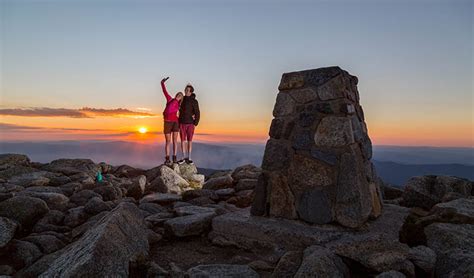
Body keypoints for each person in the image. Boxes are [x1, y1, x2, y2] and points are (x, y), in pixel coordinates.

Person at [161, 77, 183, 165]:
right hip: (167, 122)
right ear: (176, 95)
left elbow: (185, 112)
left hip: (175, 123)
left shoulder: (179, 105)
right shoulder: (170, 99)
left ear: (181, 98)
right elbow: (164, 91)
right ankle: (167, 158)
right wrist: (162, 82)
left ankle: (174, 158)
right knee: (168, 141)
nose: (179, 96)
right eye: (178, 94)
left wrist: (192, 115)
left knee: (174, 141)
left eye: (181, 95)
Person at [178, 83, 200, 165]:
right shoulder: (182, 100)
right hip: (182, 123)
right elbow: (179, 110)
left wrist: (195, 123)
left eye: (187, 90)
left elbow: (197, 112)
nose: (186, 91)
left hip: (190, 123)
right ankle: (183, 157)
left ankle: (189, 158)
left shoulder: (194, 101)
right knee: (183, 141)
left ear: (191, 92)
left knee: (190, 141)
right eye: (185, 90)